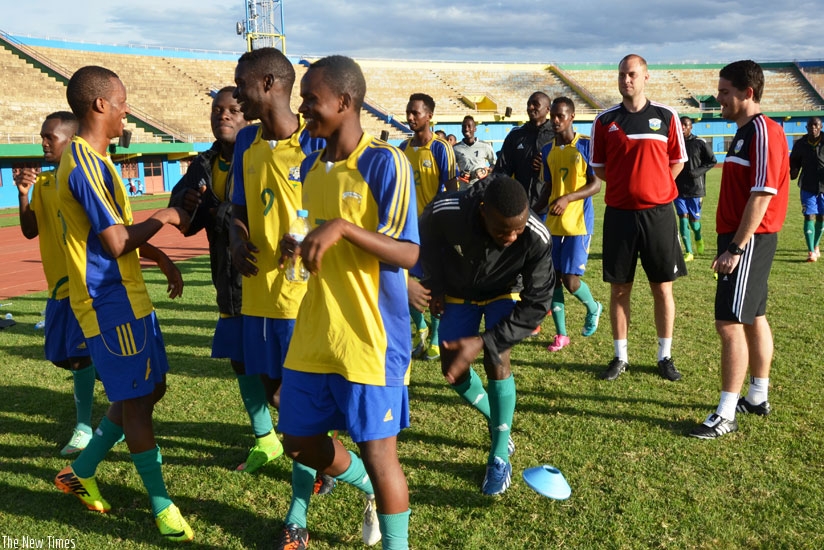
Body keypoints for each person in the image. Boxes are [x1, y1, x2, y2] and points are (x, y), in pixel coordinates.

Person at [277, 55, 418, 550]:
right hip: (315, 330)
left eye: (311, 99)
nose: (303, 107)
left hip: (370, 337)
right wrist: (293, 247)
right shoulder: (310, 166)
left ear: (345, 101)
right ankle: (363, 487)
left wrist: (341, 228)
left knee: (381, 454)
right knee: (296, 438)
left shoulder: (385, 162)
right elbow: (311, 235)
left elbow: (408, 251)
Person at [53, 65, 193, 542]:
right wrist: (165, 217)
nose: (126, 110)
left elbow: (116, 232)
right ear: (100, 106)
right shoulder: (84, 164)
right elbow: (114, 242)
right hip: (108, 303)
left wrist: (160, 258)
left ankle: (83, 468)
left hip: (129, 298)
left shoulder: (98, 161)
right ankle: (162, 506)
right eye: (122, 102)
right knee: (136, 403)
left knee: (150, 391)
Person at [168, 86, 287, 473]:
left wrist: (213, 209)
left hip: (269, 279)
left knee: (287, 372)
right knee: (240, 362)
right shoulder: (203, 163)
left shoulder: (263, 153)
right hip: (227, 279)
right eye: (217, 110)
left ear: (248, 116)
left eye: (233, 110)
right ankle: (265, 440)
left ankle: (319, 445)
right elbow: (184, 215)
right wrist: (187, 207)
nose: (223, 116)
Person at [419, 174, 553, 496]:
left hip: (504, 292)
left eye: (517, 229)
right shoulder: (446, 210)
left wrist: (485, 341)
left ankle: (498, 457)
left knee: (497, 355)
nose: (510, 237)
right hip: (458, 292)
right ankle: (498, 420)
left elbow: (538, 303)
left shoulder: (536, 236)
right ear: (482, 211)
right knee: (453, 370)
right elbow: (424, 238)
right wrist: (434, 282)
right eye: (502, 230)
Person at [689, 60, 789, 439]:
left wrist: (735, 247)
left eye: (725, 92)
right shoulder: (746, 132)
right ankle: (758, 396)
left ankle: (726, 412)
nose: (719, 99)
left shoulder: (763, 131)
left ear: (748, 93)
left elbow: (762, 195)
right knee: (752, 317)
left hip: (748, 239)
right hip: (744, 238)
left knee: (728, 323)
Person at [590, 54, 688, 382]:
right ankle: (620, 356)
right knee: (619, 289)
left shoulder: (666, 116)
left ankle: (665, 356)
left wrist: (655, 188)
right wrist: (627, 188)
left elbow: (677, 162)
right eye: (621, 74)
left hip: (659, 215)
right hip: (619, 215)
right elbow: (600, 168)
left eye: (632, 74)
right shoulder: (604, 122)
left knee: (662, 288)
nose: (626, 80)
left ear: (646, 77)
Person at [14, 111, 97, 457]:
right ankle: (120, 418)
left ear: (71, 140)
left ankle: (85, 427)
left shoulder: (83, 179)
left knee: (79, 359)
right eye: (42, 137)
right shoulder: (45, 185)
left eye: (51, 137)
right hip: (58, 289)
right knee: (63, 357)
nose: (44, 143)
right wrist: (23, 194)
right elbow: (31, 230)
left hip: (87, 285)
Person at [537, 97, 603, 353]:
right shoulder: (547, 150)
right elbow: (549, 187)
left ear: (572, 117)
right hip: (553, 223)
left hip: (578, 223)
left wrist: (568, 198)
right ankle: (561, 334)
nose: (555, 120)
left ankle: (593, 307)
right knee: (552, 279)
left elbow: (596, 184)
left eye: (560, 116)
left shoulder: (586, 145)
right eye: (553, 115)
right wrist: (532, 212)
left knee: (571, 281)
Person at [399, 93, 458, 362]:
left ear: (429, 116)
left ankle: (434, 338)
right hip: (407, 229)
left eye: (416, 113)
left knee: (432, 285)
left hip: (433, 229)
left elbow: (452, 189)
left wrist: (444, 223)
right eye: (409, 112)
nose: (411, 117)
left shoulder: (441, 148)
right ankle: (420, 327)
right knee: (400, 281)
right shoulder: (403, 148)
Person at [494, 91, 554, 216]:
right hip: (520, 206)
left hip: (549, 208)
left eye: (535, 104)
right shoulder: (515, 136)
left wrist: (546, 166)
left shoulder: (556, 135)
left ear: (548, 109)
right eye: (528, 104)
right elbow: (501, 170)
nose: (530, 107)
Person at [675, 116, 717, 261]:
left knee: (694, 221)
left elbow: (712, 161)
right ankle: (689, 252)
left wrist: (697, 172)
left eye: (685, 125)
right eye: (680, 125)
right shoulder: (674, 143)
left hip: (695, 188)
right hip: (678, 188)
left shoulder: (700, 143)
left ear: (691, 127)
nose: (682, 128)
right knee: (682, 217)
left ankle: (698, 237)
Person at [789, 116, 824, 262]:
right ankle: (811, 251)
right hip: (807, 185)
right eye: (810, 126)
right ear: (806, 128)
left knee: (821, 217)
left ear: (820, 126)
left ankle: (816, 246)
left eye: (816, 125)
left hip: (823, 185)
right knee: (809, 215)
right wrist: (794, 171)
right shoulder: (801, 143)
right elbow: (794, 161)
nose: (813, 128)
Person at [453, 115, 495, 185]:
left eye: (469, 126)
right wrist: (460, 174)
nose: (466, 129)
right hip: (464, 190)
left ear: (475, 129)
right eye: (464, 127)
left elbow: (494, 165)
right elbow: (450, 169)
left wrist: (486, 171)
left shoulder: (485, 146)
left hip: (481, 189)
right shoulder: (455, 148)